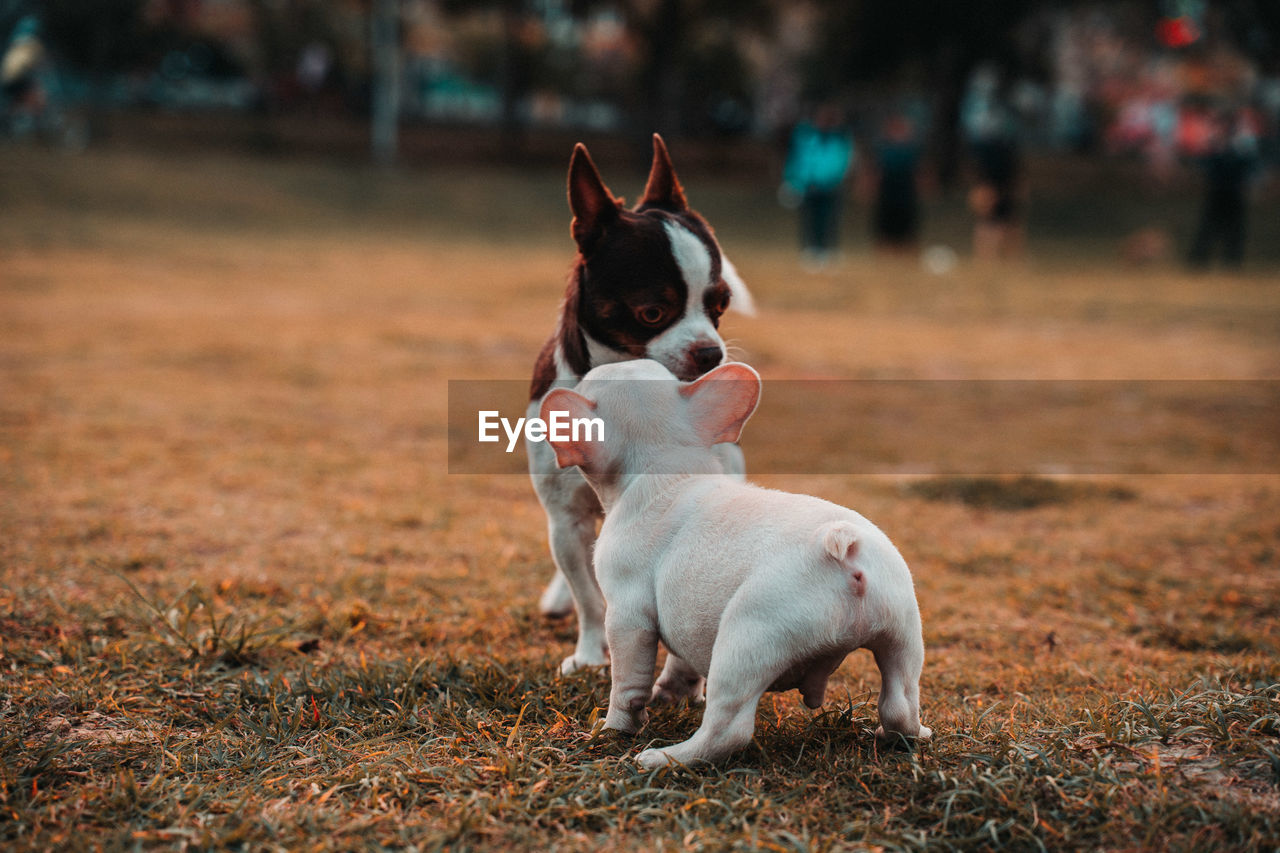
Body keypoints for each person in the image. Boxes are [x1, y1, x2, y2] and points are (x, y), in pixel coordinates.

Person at [780, 102, 855, 269]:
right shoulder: (805, 136)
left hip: (831, 186)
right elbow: (796, 159)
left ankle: (828, 249)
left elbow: (843, 162)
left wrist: (831, 180)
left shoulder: (841, 138)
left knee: (829, 219)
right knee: (809, 218)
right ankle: (811, 249)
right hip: (808, 185)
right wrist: (792, 180)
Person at [1188, 107, 1259, 269]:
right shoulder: (1214, 141)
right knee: (1209, 226)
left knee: (1234, 227)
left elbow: (1249, 165)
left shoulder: (1242, 141)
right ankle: (1200, 259)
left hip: (1235, 189)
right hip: (1217, 189)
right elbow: (1204, 164)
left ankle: (1232, 260)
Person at [870, 110, 923, 252]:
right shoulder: (882, 147)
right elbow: (876, 171)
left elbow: (919, 172)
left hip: (906, 196)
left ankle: (907, 262)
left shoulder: (912, 149)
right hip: (887, 195)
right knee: (884, 232)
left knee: (908, 233)